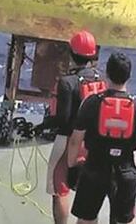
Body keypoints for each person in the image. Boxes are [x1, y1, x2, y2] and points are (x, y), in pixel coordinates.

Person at [66, 52, 136, 224]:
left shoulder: (91, 103)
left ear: (107, 73)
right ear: (129, 76)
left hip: (94, 169)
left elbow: (76, 140)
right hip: (125, 172)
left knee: (86, 219)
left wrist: (71, 168)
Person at [45, 30, 105, 224]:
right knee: (88, 189)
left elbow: (63, 119)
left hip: (68, 141)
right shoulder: (102, 80)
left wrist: (43, 126)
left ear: (71, 54)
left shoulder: (66, 82)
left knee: (59, 188)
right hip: (94, 143)